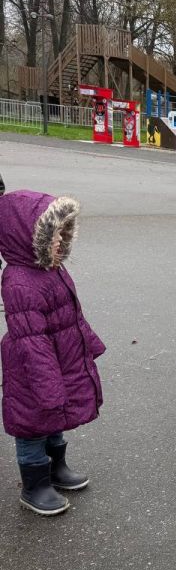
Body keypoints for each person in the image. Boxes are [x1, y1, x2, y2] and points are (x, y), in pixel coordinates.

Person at [0, 191, 105, 516]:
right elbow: (32, 342)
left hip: (57, 359)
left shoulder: (51, 269)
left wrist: (88, 342)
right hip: (33, 368)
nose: (61, 240)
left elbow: (70, 314)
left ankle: (56, 466)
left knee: (54, 417)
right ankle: (34, 484)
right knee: (33, 422)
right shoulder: (20, 283)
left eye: (63, 233)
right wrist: (48, 384)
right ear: (29, 237)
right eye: (54, 234)